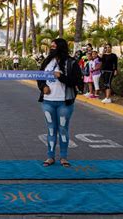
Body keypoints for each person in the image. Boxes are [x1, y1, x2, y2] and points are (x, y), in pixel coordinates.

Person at [37, 38, 83, 168]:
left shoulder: (71, 62)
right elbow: (39, 77)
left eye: (54, 46)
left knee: (63, 129)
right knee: (51, 129)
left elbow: (77, 82)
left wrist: (60, 76)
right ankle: (50, 157)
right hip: (47, 102)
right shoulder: (46, 62)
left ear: (61, 47)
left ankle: (63, 157)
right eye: (51, 46)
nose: (51, 48)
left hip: (64, 103)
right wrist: (42, 87)